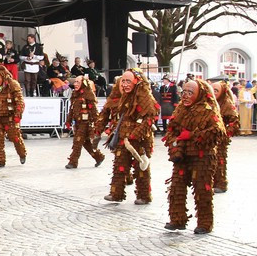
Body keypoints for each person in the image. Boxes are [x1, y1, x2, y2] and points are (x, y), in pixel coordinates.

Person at [164, 79, 226, 234]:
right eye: (183, 92)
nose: (185, 96)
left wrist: (192, 135)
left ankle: (205, 223)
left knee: (202, 190)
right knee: (176, 188)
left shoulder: (208, 110)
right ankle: (177, 219)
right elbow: (171, 130)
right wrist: (175, 145)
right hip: (182, 156)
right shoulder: (179, 110)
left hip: (202, 157)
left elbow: (218, 131)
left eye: (190, 92)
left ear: (199, 94)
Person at [100, 70, 157, 205]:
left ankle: (144, 195)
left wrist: (135, 135)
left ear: (136, 82)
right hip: (123, 138)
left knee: (141, 168)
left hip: (140, 140)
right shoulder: (124, 97)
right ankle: (116, 193)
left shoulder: (145, 97)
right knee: (119, 165)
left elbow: (150, 118)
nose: (125, 84)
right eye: (123, 81)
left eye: (128, 81)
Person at [0, 65, 26, 167]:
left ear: (3, 76)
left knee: (15, 137)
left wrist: (18, 115)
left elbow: (20, 102)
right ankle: (0, 160)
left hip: (11, 118)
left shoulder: (13, 84)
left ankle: (22, 154)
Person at [66, 76, 105, 169]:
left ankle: (73, 162)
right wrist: (68, 121)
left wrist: (96, 125)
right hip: (78, 123)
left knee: (77, 142)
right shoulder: (75, 94)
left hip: (86, 123)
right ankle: (99, 157)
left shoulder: (88, 94)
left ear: (83, 83)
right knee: (87, 144)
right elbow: (72, 109)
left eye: (78, 82)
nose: (75, 84)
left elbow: (94, 111)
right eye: (75, 82)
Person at [211, 81, 239, 193]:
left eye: (216, 91)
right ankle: (210, 182)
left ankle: (221, 183)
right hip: (210, 138)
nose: (214, 93)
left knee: (220, 160)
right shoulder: (210, 102)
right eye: (212, 90)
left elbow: (235, 122)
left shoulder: (227, 104)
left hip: (221, 139)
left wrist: (225, 134)